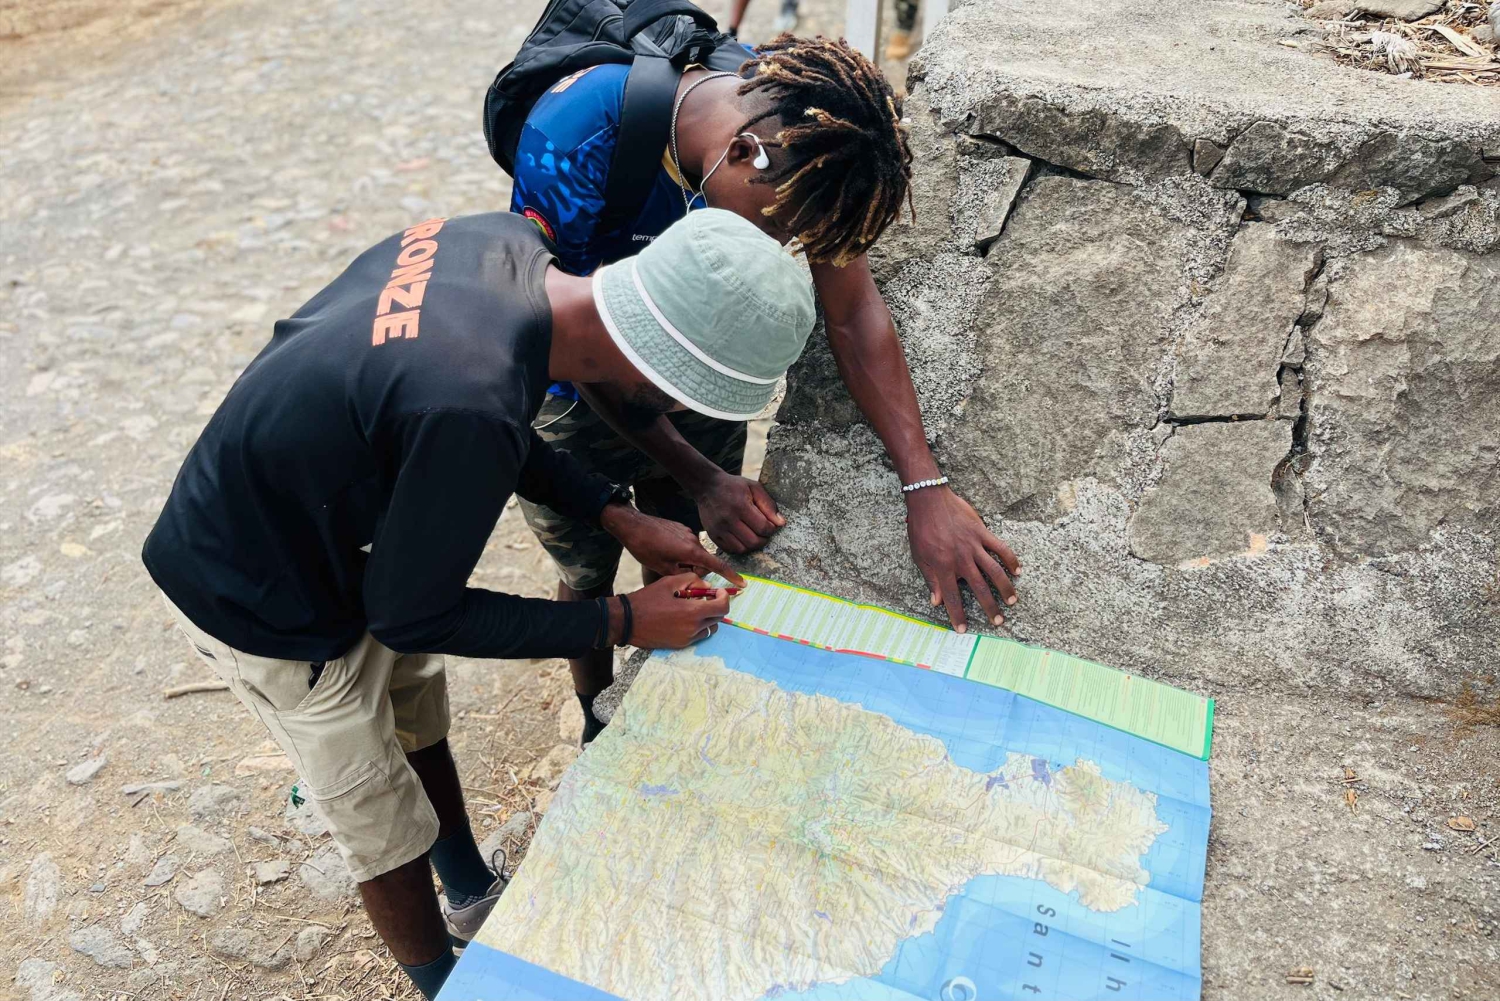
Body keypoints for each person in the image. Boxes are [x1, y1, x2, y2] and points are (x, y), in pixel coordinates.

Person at [141, 208, 815, 999]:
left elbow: (486, 420)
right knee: (378, 814)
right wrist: (626, 619)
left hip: (332, 529)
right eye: (680, 398)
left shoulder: (504, 247)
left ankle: (465, 885)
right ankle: (446, 985)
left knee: (413, 706)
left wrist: (615, 512)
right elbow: (411, 611)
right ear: (652, 369)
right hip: (255, 589)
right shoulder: (471, 402)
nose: (672, 413)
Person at [508, 34, 1021, 744]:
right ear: (743, 153)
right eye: (779, 230)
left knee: (679, 536)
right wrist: (704, 476)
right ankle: (595, 709)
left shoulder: (811, 142)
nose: (779, 248)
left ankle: (651, 693)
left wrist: (924, 486)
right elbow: (575, 340)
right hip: (576, 392)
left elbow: (854, 313)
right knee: (586, 564)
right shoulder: (573, 141)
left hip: (707, 373)